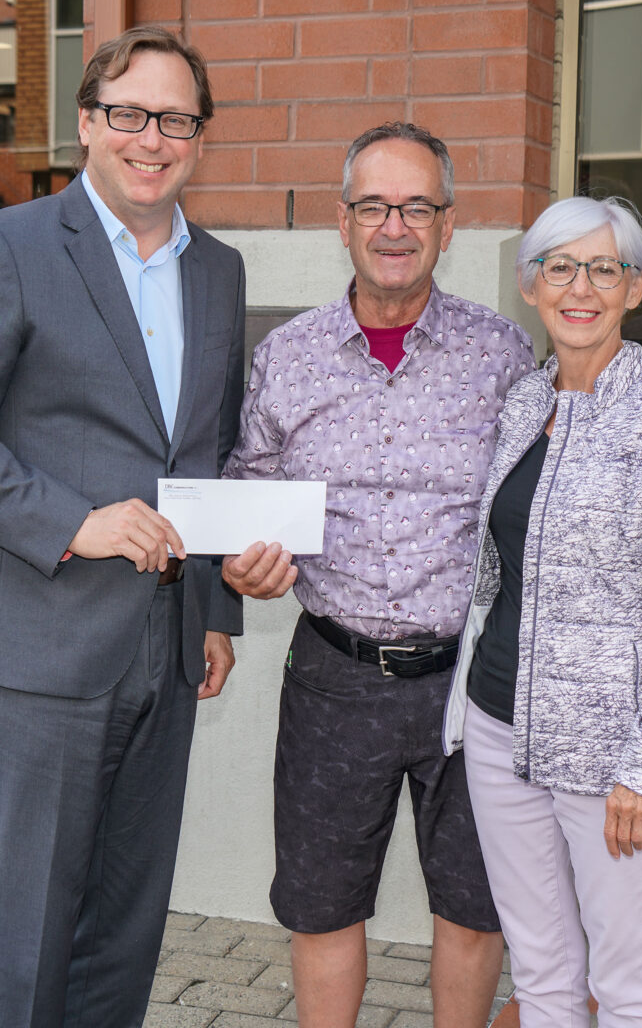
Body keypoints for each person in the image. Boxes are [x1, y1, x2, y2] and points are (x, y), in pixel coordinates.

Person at [0, 26, 244, 1028]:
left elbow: (209, 453)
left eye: (176, 118)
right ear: (89, 124)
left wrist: (215, 606)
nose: (153, 138)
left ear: (200, 136)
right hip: (43, 645)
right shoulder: (7, 246)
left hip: (167, 645)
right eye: (131, 114)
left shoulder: (217, 270)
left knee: (126, 926)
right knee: (31, 930)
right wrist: (74, 523)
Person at [221, 121, 535, 1028]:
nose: (393, 226)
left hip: (469, 686)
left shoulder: (503, 358)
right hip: (332, 677)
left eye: (416, 207)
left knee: (473, 908)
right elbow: (252, 489)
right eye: (373, 206)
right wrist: (249, 566)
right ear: (343, 220)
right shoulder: (291, 356)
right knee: (323, 904)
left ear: (448, 224)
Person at [444, 195, 642, 1027]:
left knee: (629, 986)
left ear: (634, 289)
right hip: (498, 734)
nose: (581, 287)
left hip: (613, 759)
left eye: (603, 268)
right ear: (531, 286)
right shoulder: (524, 405)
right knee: (540, 975)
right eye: (559, 267)